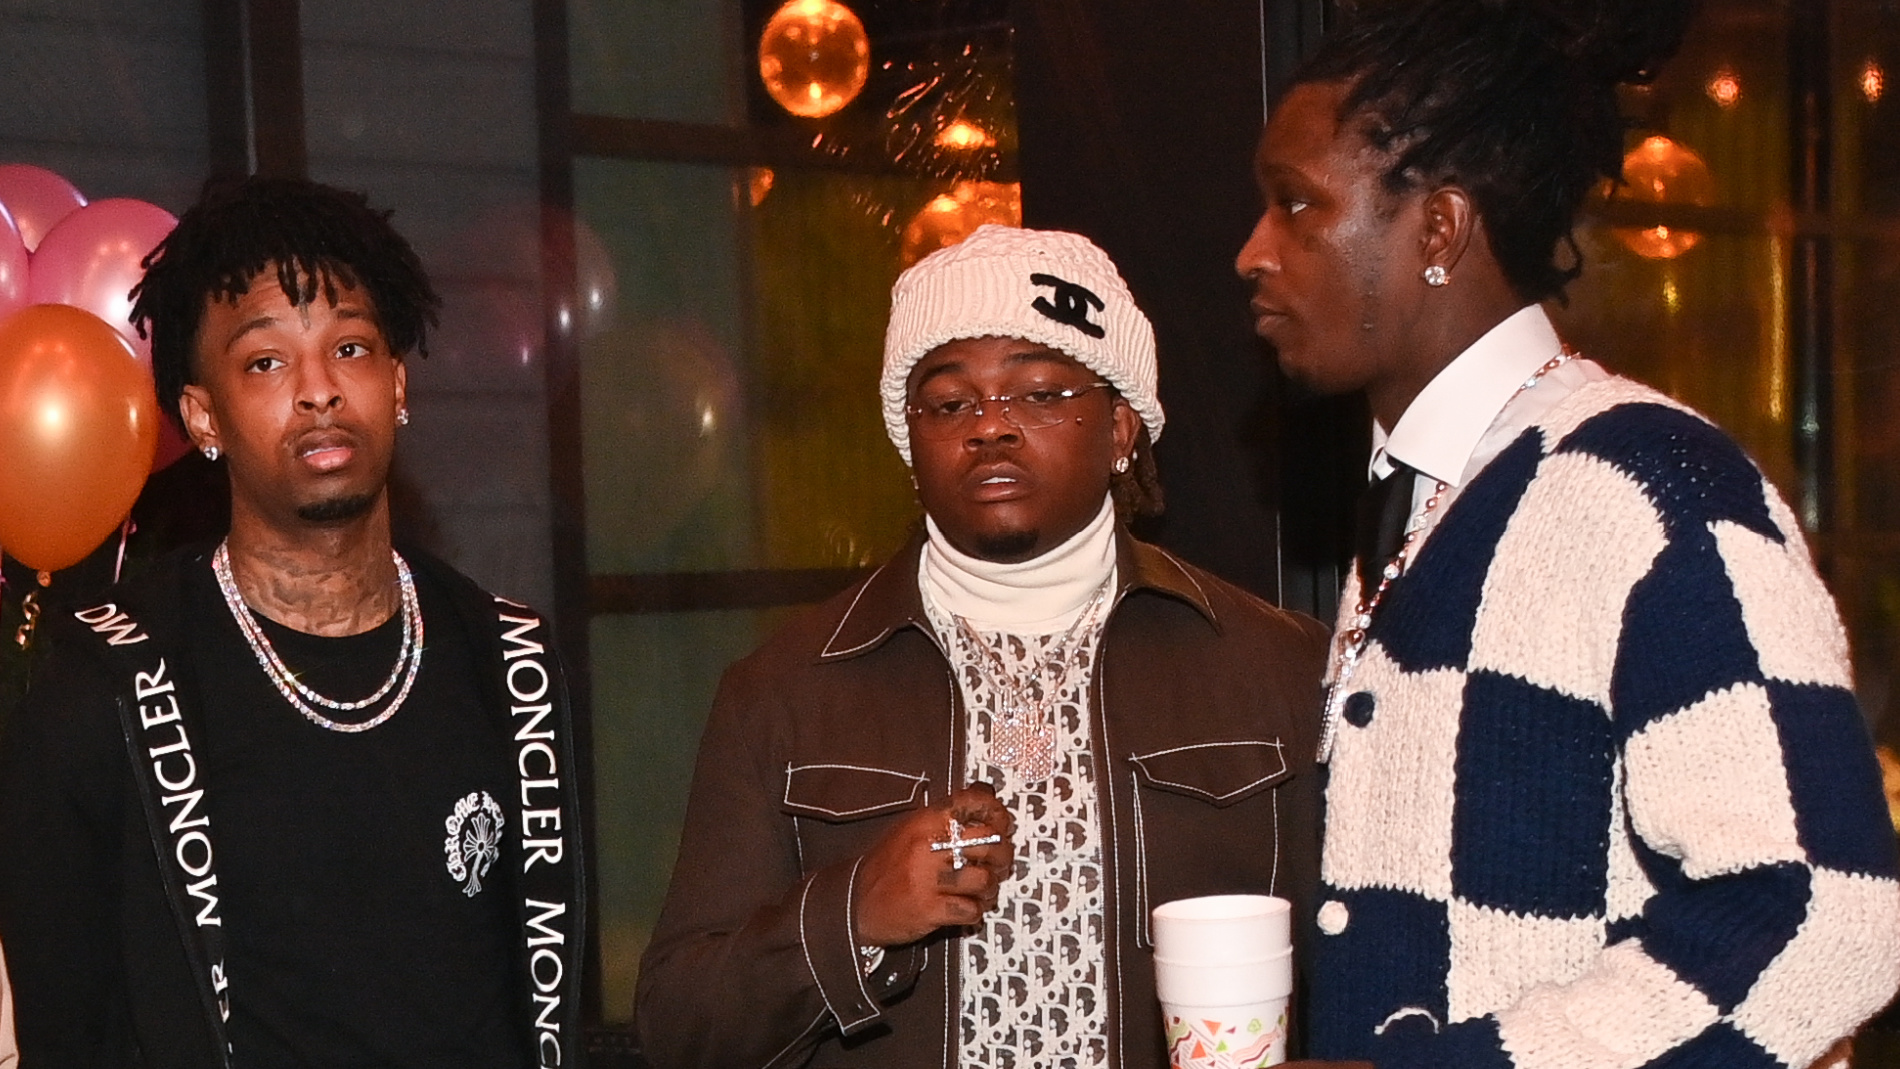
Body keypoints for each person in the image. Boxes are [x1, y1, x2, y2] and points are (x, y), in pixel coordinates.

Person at [1234, 1, 1900, 1067]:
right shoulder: (1431, 495)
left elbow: (1826, 917)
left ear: (1438, 229)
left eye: (1295, 203)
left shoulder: (1643, 486)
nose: (1252, 252)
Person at [636, 224, 1329, 1068]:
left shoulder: (1279, 668)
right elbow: (680, 1027)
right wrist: (853, 916)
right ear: (910, 441)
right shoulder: (785, 688)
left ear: (1121, 429)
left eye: (1039, 393)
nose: (991, 427)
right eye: (950, 402)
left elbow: (1362, 974)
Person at [0, 177, 586, 1068]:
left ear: (397, 383)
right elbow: (64, 1026)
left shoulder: (510, 663)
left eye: (349, 348)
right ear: (202, 416)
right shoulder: (108, 688)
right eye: (266, 362)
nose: (319, 390)